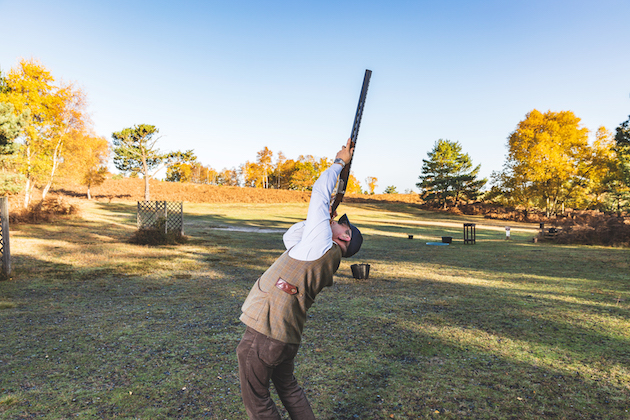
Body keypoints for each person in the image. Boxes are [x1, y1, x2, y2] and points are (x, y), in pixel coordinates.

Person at [236, 138, 364, 420]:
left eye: (340, 223)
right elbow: (291, 237)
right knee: (288, 389)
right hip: (285, 336)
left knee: (257, 401)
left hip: (267, 330)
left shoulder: (322, 245)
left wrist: (339, 162)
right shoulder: (320, 249)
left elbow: (319, 191)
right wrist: (321, 220)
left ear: (344, 236)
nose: (335, 220)